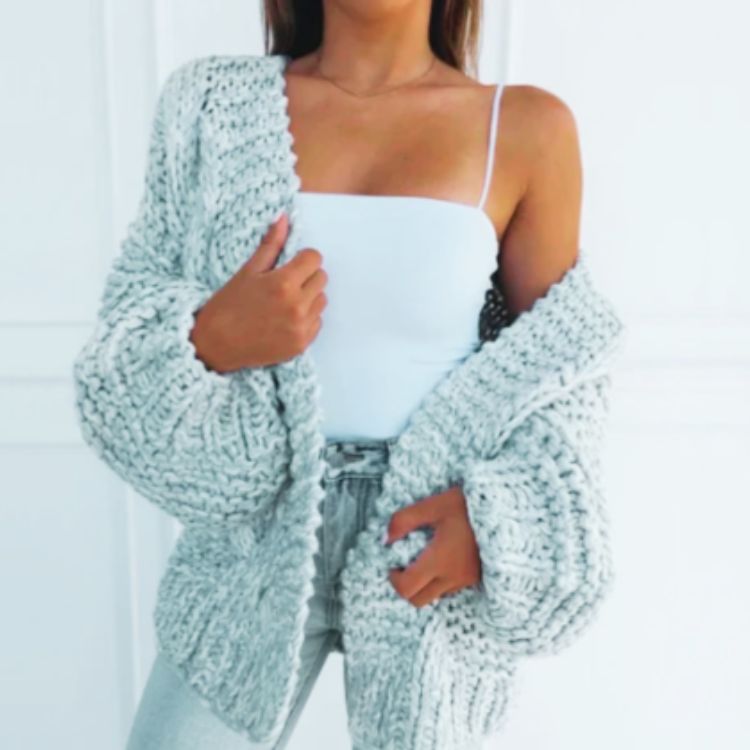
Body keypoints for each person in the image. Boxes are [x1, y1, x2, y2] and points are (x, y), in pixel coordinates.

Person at [73, 2, 622, 749]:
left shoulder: (527, 128)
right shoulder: (209, 109)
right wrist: (209, 338)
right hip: (252, 539)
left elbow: (563, 379)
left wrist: (493, 523)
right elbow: (125, 336)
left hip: (426, 534)